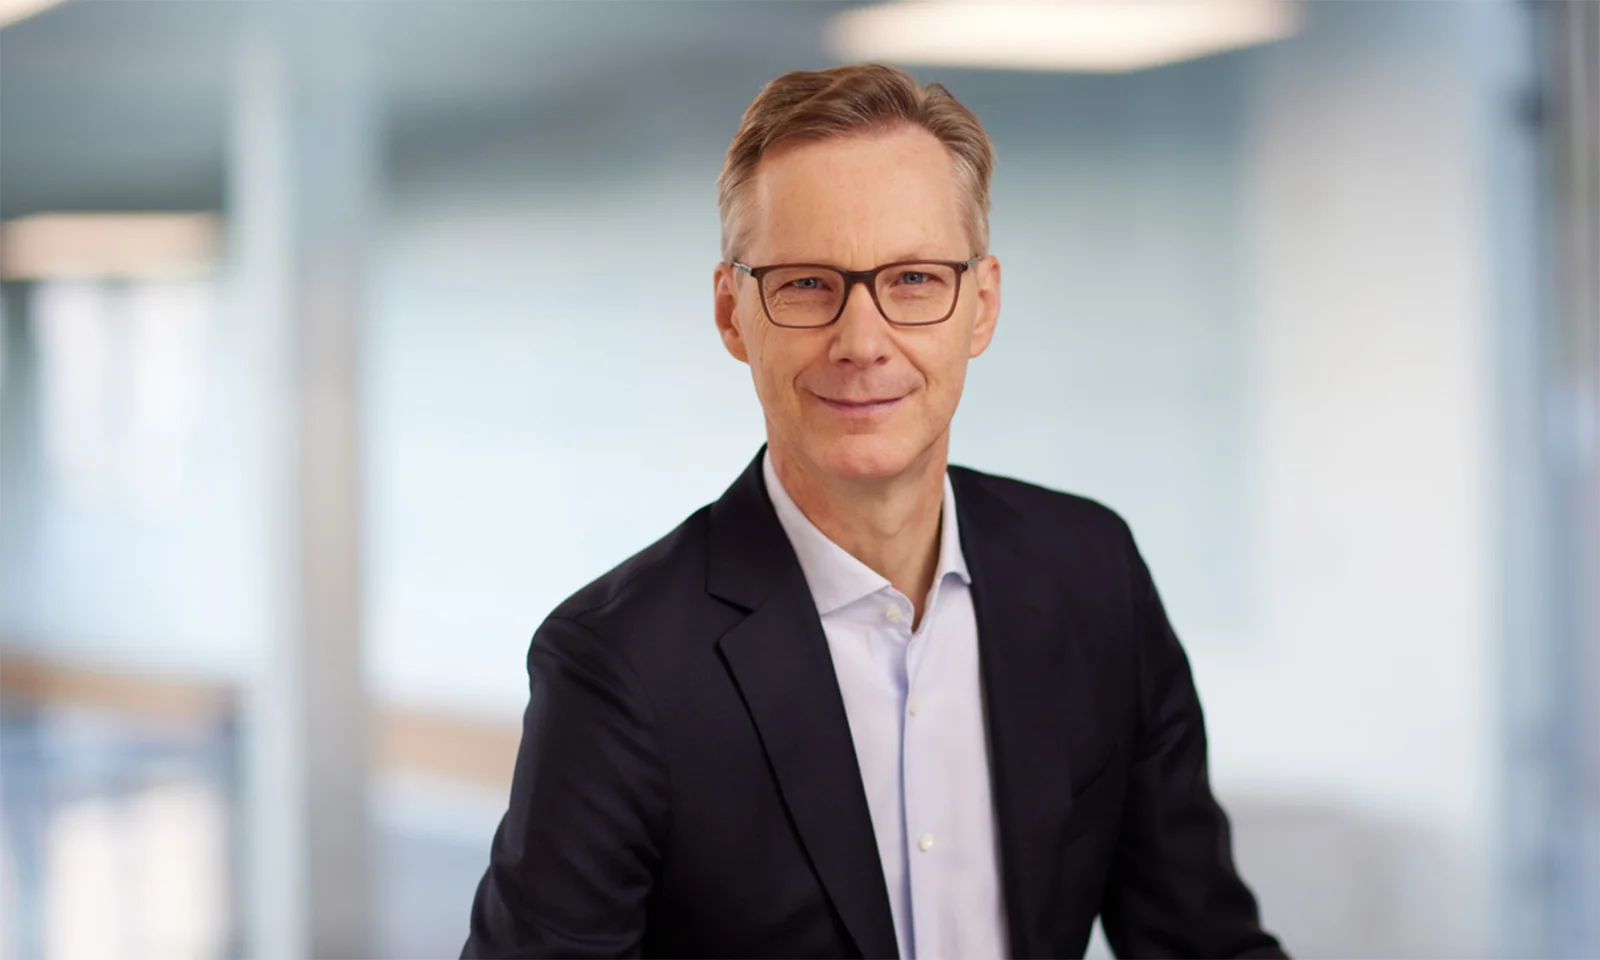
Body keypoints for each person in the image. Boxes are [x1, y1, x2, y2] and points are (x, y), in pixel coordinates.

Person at [462, 63, 1284, 960]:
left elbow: (1203, 941)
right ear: (733, 313)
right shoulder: (619, 667)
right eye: (808, 284)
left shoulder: (1094, 575)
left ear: (982, 305)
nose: (862, 343)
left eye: (915, 279)